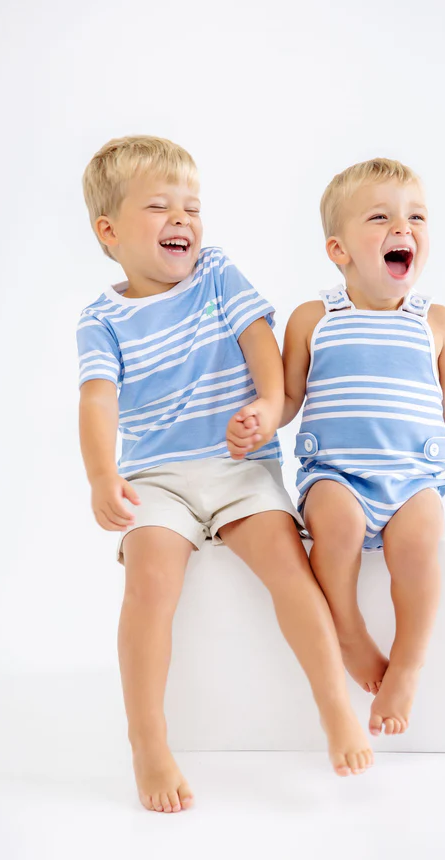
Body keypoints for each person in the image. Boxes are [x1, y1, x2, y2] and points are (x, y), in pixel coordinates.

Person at [77, 136, 373, 813]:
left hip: (240, 469)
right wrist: (101, 475)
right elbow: (97, 401)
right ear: (110, 231)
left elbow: (257, 340)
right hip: (156, 477)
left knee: (288, 568)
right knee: (148, 584)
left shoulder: (216, 273)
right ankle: (148, 740)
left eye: (192, 206)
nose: (183, 218)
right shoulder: (101, 320)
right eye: (160, 206)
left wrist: (268, 406)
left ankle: (333, 704)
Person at [279, 158, 445, 738]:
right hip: (336, 475)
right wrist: (259, 418)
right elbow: (288, 396)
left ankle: (407, 664)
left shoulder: (437, 322)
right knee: (336, 527)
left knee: (420, 546)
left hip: (412, 481)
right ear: (339, 249)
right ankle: (349, 632)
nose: (403, 227)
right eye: (380, 218)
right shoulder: (313, 318)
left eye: (416, 217)